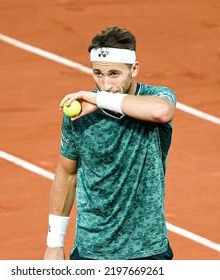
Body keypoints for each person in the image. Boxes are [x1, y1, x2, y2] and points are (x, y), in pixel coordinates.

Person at [43, 26, 176, 260]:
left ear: (134, 69)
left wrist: (99, 99)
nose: (106, 84)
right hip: (91, 250)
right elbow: (67, 173)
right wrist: (54, 243)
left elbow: (160, 112)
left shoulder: (156, 96)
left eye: (114, 74)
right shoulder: (79, 113)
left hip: (147, 251)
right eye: (98, 74)